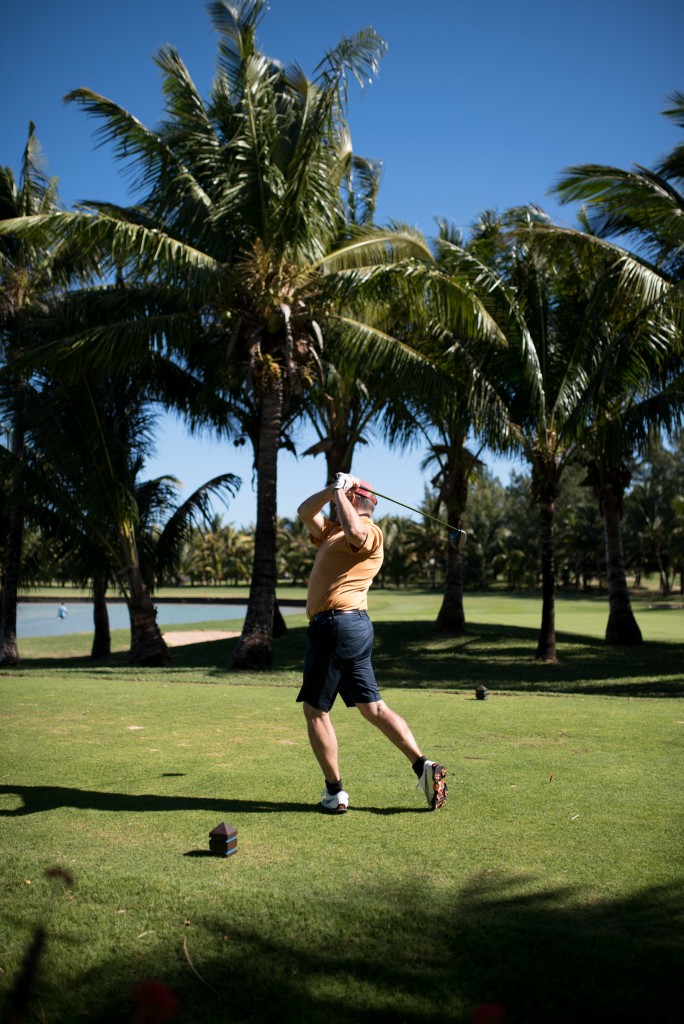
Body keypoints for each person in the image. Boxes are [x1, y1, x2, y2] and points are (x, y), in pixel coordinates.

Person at [296, 472, 448, 814]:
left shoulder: (370, 532)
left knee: (316, 711)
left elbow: (356, 532)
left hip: (335, 626)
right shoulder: (331, 532)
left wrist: (340, 494)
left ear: (353, 500)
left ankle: (334, 793)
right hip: (349, 628)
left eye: (344, 496)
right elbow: (305, 511)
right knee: (373, 708)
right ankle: (423, 766)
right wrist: (332, 489)